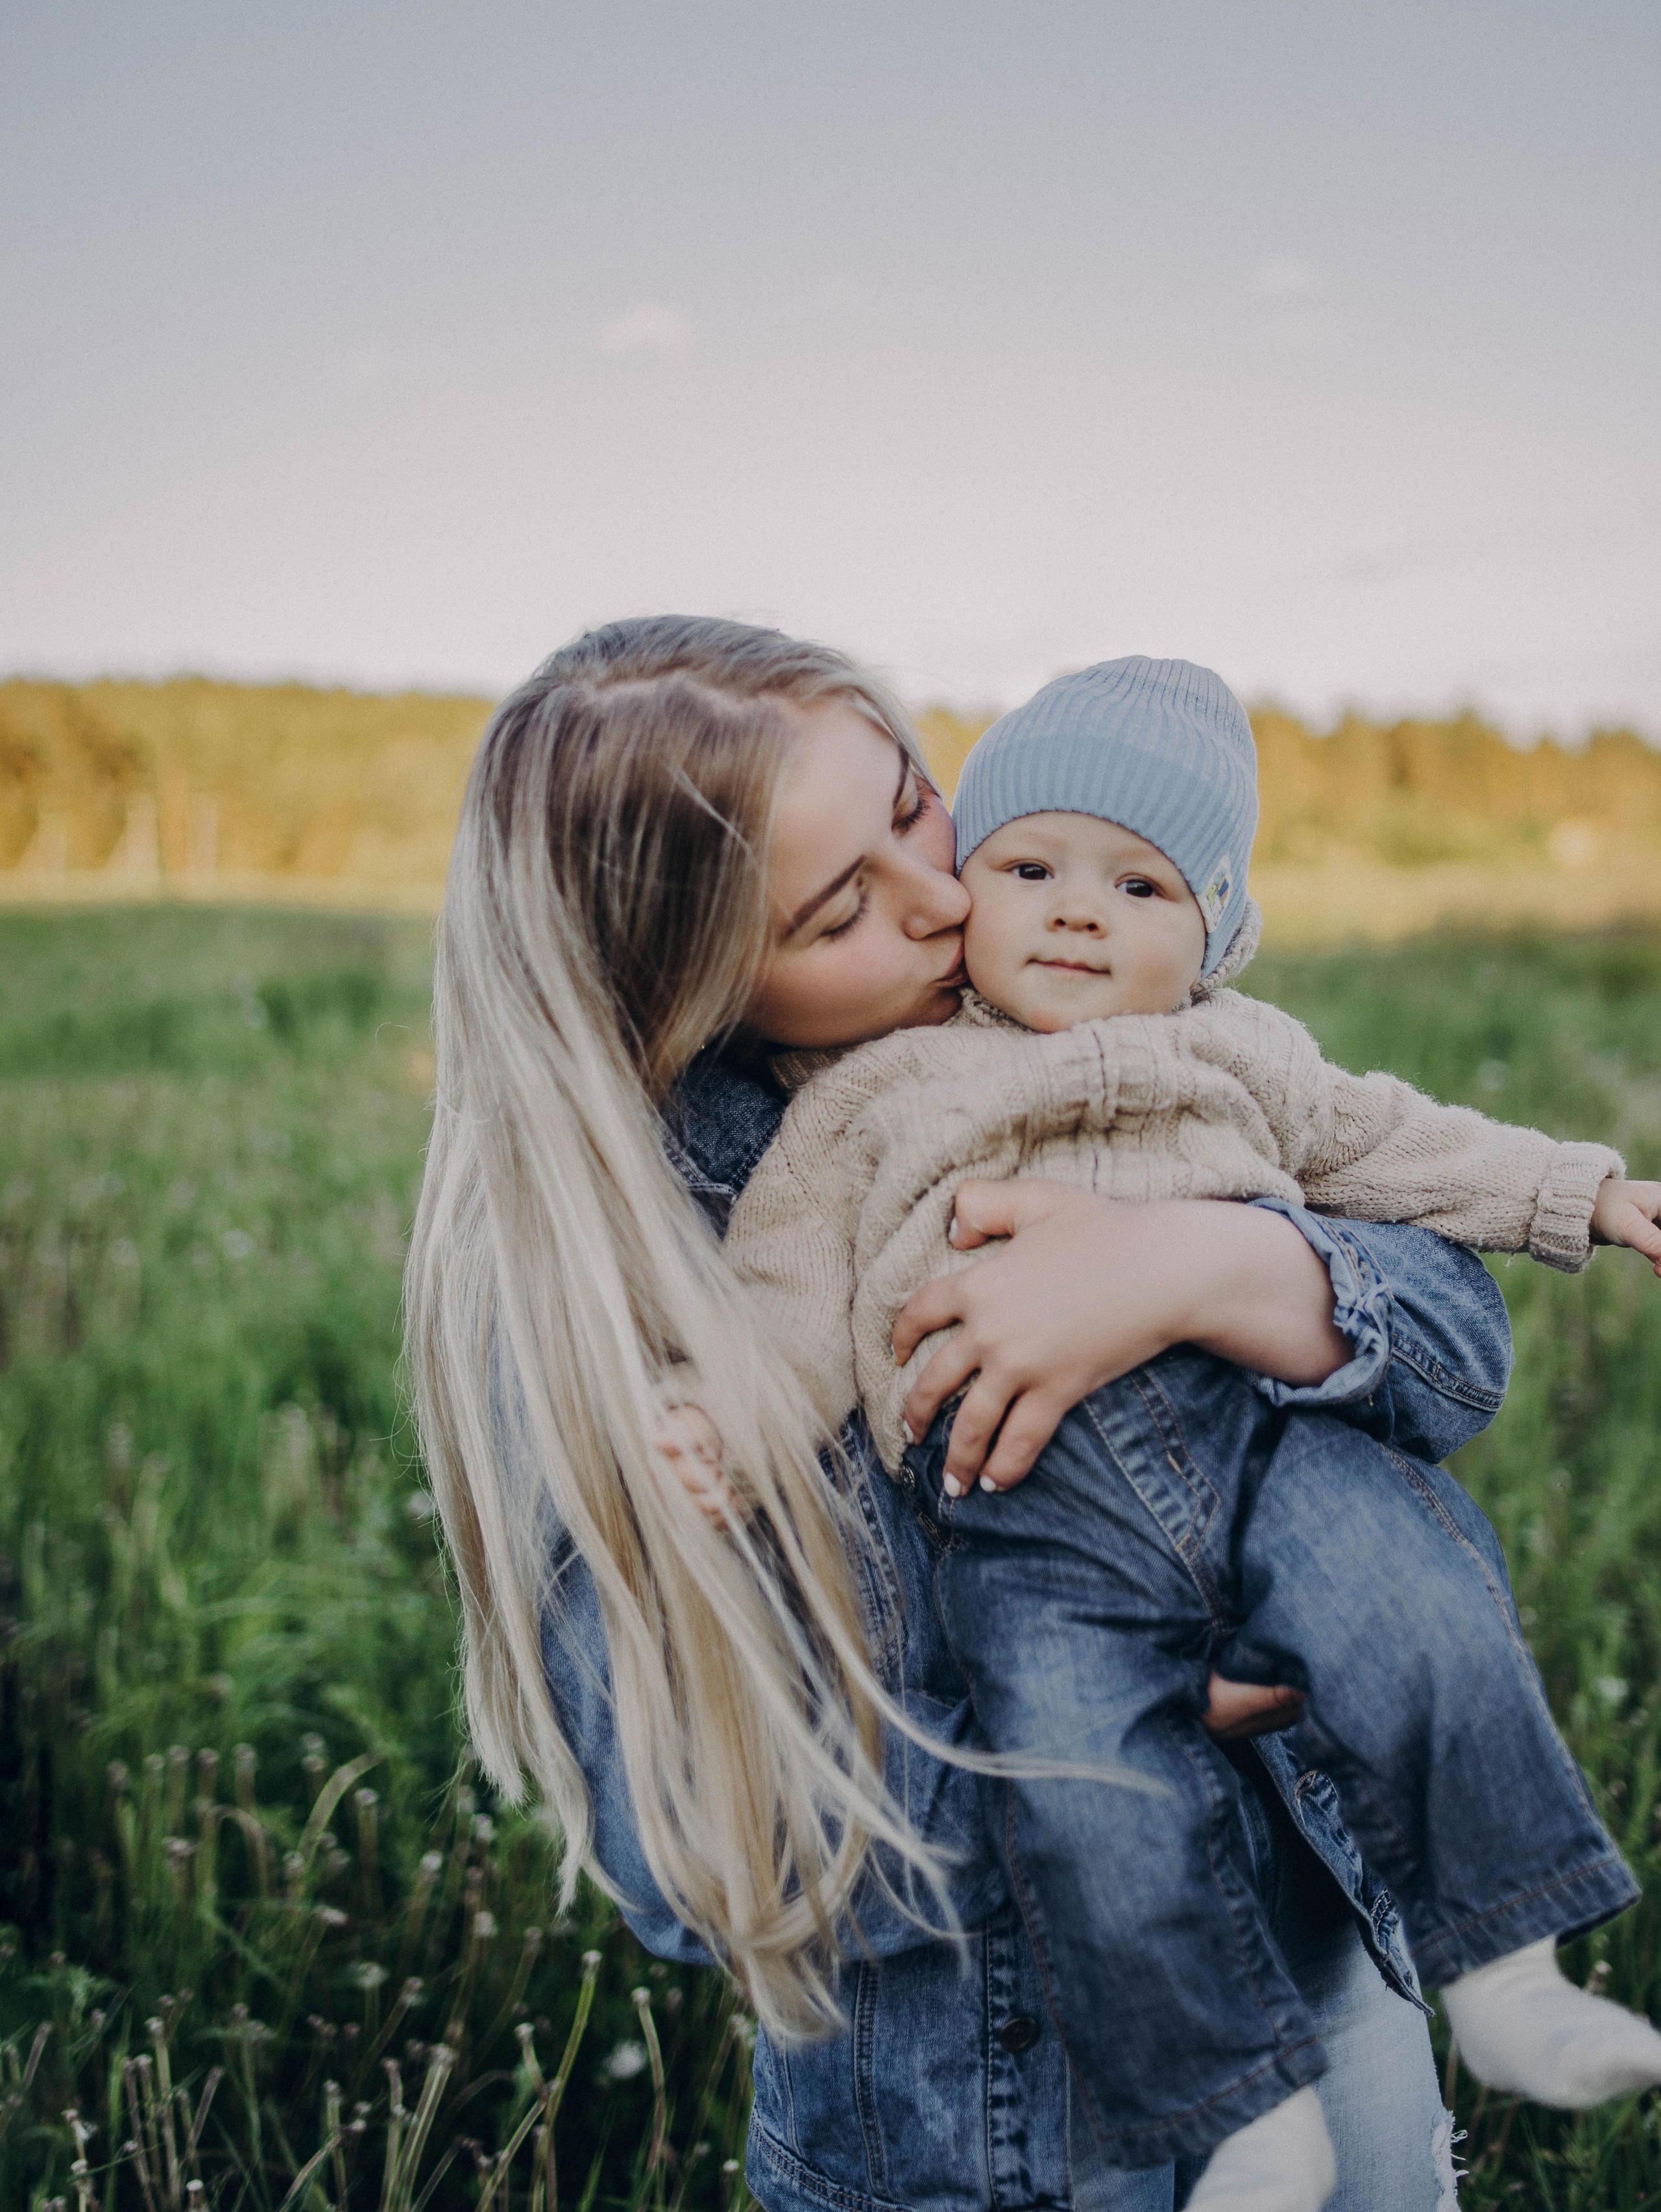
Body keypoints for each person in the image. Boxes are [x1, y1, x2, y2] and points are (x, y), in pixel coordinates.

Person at [407, 616, 1522, 2212]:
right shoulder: (624, 1283)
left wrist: (1206, 1266)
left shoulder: (1071, 1023)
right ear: (687, 987)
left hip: (1323, 1948)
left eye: (914, 806)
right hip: (1003, 2127)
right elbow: (706, 1847)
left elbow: (1451, 1340)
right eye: (840, 905)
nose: (949, 896)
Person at [692, 655, 1661, 2207]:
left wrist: (1579, 1193)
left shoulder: (1243, 1051)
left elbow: (1400, 1144)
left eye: (1139, 886)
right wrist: (719, 1425)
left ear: (1215, 933)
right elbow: (791, 1279)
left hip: (1270, 1448)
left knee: (1422, 1606)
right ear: (978, 885)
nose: (1078, 913)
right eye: (1029, 869)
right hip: (1022, 1513)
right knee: (1093, 1789)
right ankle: (1234, 2114)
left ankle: (1508, 1962)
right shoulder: (876, 1091)